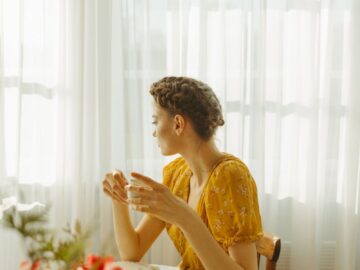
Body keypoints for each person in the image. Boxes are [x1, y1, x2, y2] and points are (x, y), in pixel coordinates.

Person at [102, 77, 263, 270]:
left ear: (178, 124)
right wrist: (119, 200)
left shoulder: (230, 176)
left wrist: (185, 218)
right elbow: (132, 252)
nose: (154, 133)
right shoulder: (177, 174)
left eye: (155, 121)